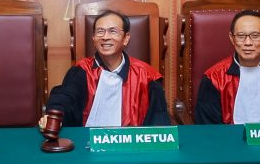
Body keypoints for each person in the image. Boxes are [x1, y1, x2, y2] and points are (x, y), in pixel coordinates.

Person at [43, 10, 171, 127]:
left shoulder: (147, 76)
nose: (105, 37)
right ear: (93, 38)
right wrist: (55, 115)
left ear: (126, 38)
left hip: (131, 142)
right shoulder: (82, 71)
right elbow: (65, 98)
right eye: (100, 31)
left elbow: (159, 124)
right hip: (87, 141)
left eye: (113, 31)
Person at [194, 9, 260, 124]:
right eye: (241, 36)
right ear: (232, 38)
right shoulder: (214, 78)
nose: (248, 42)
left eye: (255, 36)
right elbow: (209, 127)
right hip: (228, 136)